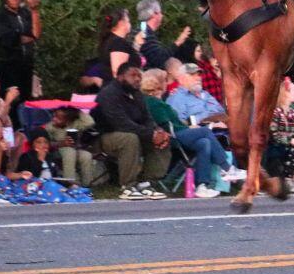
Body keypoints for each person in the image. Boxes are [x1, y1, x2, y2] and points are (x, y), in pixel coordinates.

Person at [142, 69, 244, 197]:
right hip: (172, 136)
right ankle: (227, 168)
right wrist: (191, 128)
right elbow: (166, 125)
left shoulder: (158, 101)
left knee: (204, 143)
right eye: (165, 80)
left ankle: (202, 186)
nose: (168, 82)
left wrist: (190, 128)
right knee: (206, 132)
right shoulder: (153, 102)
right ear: (158, 84)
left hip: (178, 133)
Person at [93, 64, 169, 200]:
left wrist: (158, 131)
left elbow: (147, 118)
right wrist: (151, 134)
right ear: (120, 77)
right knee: (129, 138)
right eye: (133, 75)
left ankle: (147, 183)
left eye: (139, 76)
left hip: (134, 132)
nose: (138, 79)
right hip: (106, 137)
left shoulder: (137, 94)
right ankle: (128, 186)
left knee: (164, 138)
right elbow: (121, 124)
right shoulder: (108, 94)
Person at [0, 0, 41, 124]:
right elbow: (6, 37)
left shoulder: (25, 12)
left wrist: (35, 11)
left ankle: (23, 131)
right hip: (7, 66)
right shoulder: (0, 14)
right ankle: (8, 130)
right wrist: (23, 37)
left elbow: (36, 33)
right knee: (11, 99)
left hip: (26, 65)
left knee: (25, 99)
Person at [44, 107, 99, 187]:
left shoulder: (75, 124)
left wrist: (78, 110)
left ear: (68, 120)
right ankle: (70, 183)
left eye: (59, 118)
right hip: (57, 151)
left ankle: (87, 184)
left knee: (86, 155)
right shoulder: (50, 127)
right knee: (69, 151)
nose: (55, 119)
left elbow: (90, 122)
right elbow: (46, 144)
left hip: (75, 150)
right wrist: (61, 143)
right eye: (54, 116)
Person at [135, 0, 191, 70]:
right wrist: (179, 41)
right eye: (160, 12)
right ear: (154, 14)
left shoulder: (141, 28)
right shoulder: (145, 33)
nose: (162, 15)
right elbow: (159, 59)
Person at [166, 62, 229, 127]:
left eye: (199, 75)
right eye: (192, 75)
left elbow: (221, 113)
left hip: (222, 130)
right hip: (202, 134)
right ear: (181, 79)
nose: (198, 78)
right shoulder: (176, 98)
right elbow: (180, 127)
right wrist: (209, 125)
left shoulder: (205, 94)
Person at [96, 6, 142, 85]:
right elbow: (118, 72)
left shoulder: (111, 40)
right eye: (128, 21)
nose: (130, 23)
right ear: (121, 23)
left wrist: (137, 45)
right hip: (118, 93)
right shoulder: (118, 43)